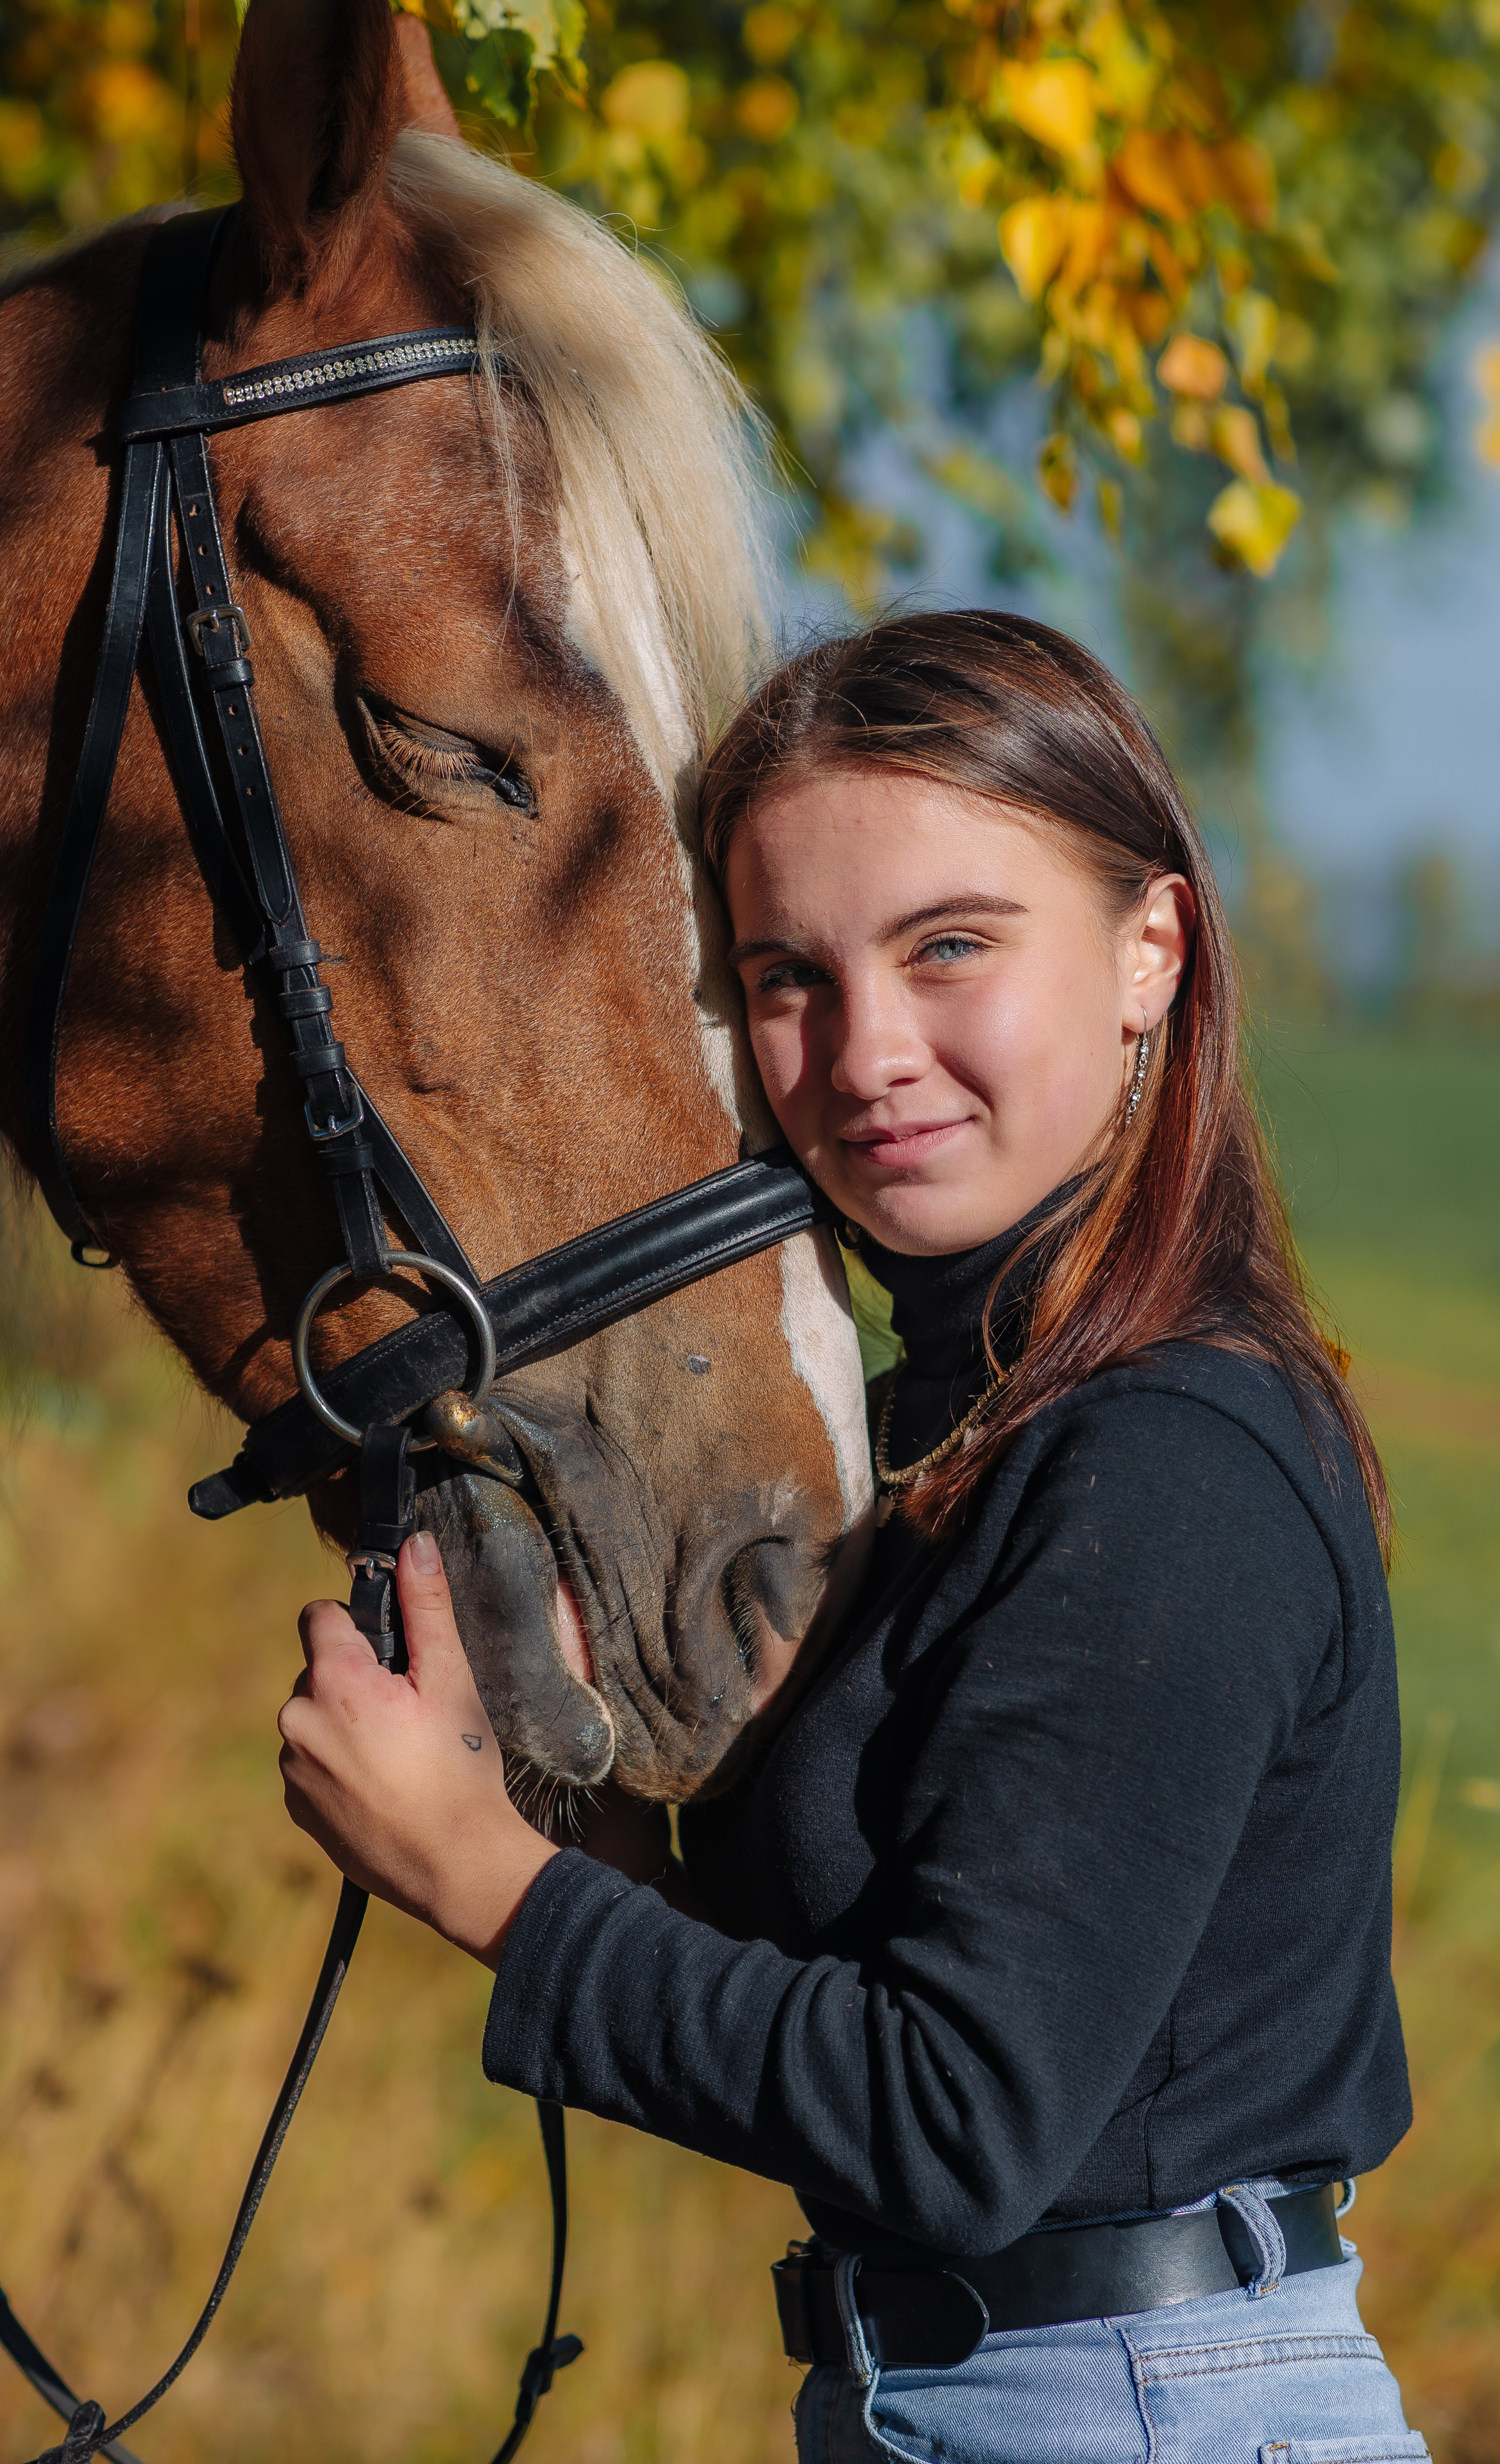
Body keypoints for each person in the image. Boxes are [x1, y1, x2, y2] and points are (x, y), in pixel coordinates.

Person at [276, 612, 1428, 2464]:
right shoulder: (940, 1431)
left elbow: (953, 2116)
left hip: (1149, 2415)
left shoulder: (1165, 1457)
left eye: (949, 945)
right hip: (972, 2406)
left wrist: (483, 1878)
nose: (867, 1051)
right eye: (787, 977)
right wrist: (573, 1821)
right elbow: (842, 1993)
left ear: (1152, 948)